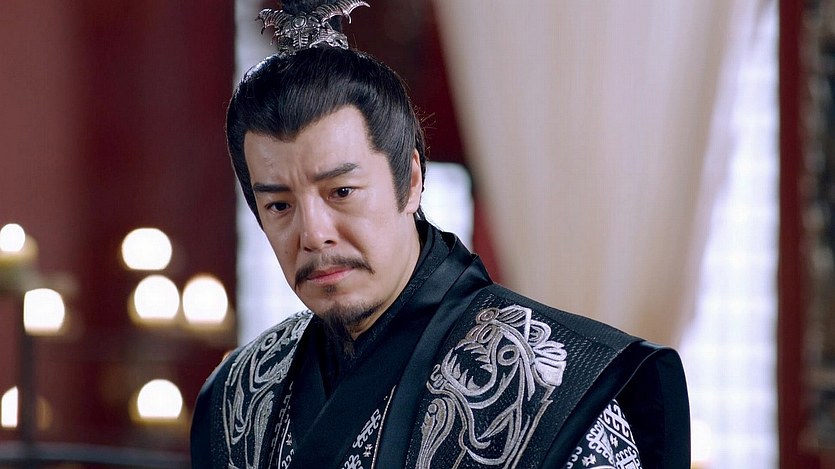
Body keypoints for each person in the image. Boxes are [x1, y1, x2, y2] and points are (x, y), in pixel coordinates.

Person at [190, 1, 690, 467]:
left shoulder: (553, 388)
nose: (313, 234)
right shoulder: (240, 396)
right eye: (279, 205)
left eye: (341, 192)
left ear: (410, 180)